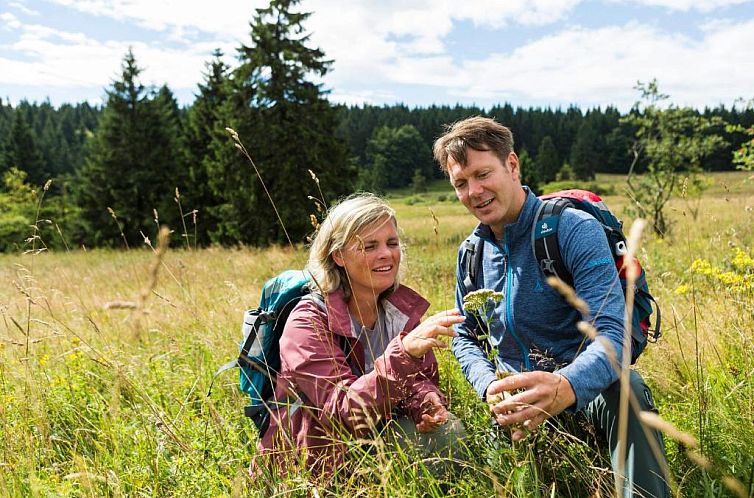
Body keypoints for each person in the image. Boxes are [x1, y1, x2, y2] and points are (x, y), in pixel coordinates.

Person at [433, 116, 669, 497]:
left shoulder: (571, 229)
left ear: (512, 165)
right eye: (461, 183)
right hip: (515, 410)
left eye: (483, 174)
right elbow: (465, 335)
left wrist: (566, 385)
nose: (474, 191)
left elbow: (614, 333)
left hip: (586, 395)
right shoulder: (471, 254)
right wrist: (489, 384)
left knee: (628, 391)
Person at [252, 193, 466, 480]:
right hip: (314, 467)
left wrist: (425, 402)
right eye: (369, 246)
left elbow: (418, 381)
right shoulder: (308, 321)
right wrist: (405, 354)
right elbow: (342, 413)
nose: (386, 254)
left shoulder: (398, 311)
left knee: (448, 432)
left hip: (370, 446)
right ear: (338, 256)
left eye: (392, 243)